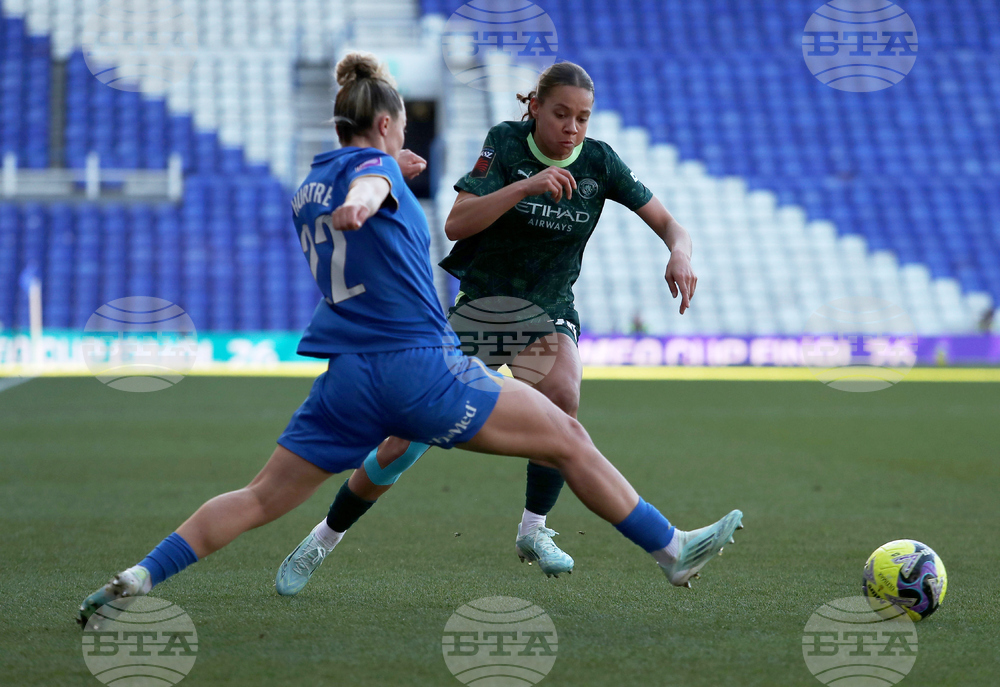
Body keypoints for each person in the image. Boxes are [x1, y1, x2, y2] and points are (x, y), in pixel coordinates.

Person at [77, 53, 741, 628]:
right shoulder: (376, 174)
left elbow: (365, 176)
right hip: (422, 366)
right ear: (386, 124)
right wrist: (373, 190)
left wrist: (382, 176)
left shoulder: (309, 185)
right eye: (400, 129)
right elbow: (372, 182)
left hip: (347, 379)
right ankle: (671, 550)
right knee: (566, 437)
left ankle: (139, 575)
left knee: (257, 497)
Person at [276, 61, 701, 591]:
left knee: (563, 396)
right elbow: (457, 223)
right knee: (401, 443)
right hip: (481, 308)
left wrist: (679, 253)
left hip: (546, 308)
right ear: (535, 108)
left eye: (583, 117)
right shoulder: (505, 144)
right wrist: (525, 187)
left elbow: (670, 224)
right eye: (561, 114)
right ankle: (324, 537)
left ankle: (534, 529)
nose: (572, 127)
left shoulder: (600, 162)